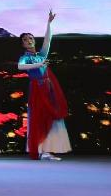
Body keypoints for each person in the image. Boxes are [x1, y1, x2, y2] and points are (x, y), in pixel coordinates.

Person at [18, 10, 70, 161]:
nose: (29, 40)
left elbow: (48, 40)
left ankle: (47, 150)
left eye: (31, 38)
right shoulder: (25, 57)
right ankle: (42, 150)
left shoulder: (41, 55)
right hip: (37, 89)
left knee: (50, 117)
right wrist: (39, 65)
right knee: (39, 118)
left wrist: (49, 23)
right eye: (25, 39)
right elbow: (20, 67)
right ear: (22, 44)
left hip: (48, 88)